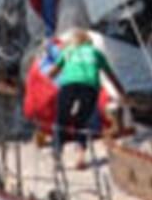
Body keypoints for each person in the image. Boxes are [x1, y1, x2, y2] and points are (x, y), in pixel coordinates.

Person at [45, 29, 126, 170]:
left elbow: (52, 73)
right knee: (81, 121)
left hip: (69, 84)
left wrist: (52, 78)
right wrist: (121, 91)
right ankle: (81, 157)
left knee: (61, 119)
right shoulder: (96, 53)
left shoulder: (68, 51)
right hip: (90, 86)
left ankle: (57, 153)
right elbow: (111, 75)